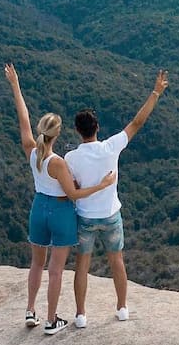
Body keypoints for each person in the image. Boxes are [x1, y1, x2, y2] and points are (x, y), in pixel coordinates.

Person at [4, 62, 116, 336]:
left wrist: (15, 86)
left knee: (36, 263)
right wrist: (102, 184)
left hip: (38, 207)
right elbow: (74, 194)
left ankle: (31, 310)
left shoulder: (32, 152)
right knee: (55, 269)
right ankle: (52, 319)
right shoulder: (58, 163)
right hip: (60, 212)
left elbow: (23, 118)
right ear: (57, 134)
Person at [66, 70, 169, 328]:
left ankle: (80, 314)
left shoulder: (71, 158)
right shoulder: (111, 147)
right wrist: (155, 92)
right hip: (111, 214)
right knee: (117, 260)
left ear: (78, 131)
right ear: (97, 128)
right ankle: (122, 308)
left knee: (82, 265)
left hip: (85, 216)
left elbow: (74, 185)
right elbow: (136, 123)